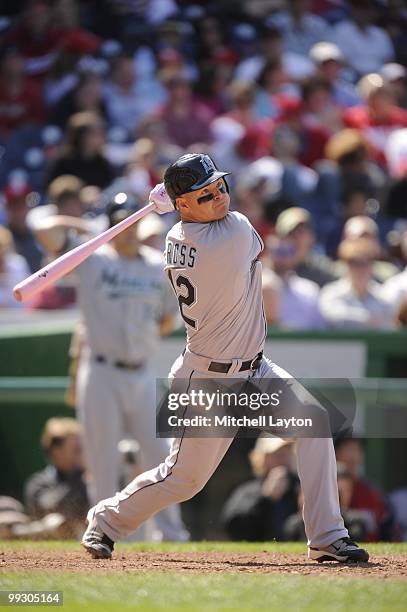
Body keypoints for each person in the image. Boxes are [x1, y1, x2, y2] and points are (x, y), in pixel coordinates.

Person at [81, 152, 369, 564]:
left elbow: (189, 216)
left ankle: (327, 536)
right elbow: (235, 230)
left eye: (220, 187)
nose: (219, 197)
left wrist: (175, 202)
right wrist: (174, 199)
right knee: (184, 479)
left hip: (255, 370)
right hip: (208, 381)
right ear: (183, 205)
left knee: (314, 425)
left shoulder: (174, 237)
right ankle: (105, 521)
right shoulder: (234, 233)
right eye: (204, 195)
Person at [32, 193, 188, 542]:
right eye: (121, 222)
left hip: (141, 370)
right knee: (102, 459)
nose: (128, 230)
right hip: (101, 370)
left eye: (132, 222)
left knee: (160, 455)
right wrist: (89, 227)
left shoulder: (155, 265)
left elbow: (166, 318)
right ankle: (103, 531)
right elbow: (43, 230)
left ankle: (170, 532)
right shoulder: (93, 258)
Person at [221, 437, 299, 541]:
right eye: (277, 454)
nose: (284, 458)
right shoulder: (247, 491)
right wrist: (266, 499)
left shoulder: (300, 489)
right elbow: (234, 528)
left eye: (288, 452)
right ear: (262, 458)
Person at [24, 417, 89, 538]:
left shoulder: (90, 480)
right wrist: (78, 474)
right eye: (77, 449)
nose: (83, 453)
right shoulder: (39, 483)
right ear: (56, 452)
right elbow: (50, 508)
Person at [319, 238, 393, 329]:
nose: (360, 269)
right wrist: (366, 318)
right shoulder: (330, 293)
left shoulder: (383, 297)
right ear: (346, 265)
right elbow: (330, 316)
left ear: (372, 266)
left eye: (365, 263)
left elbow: (388, 326)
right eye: (354, 262)